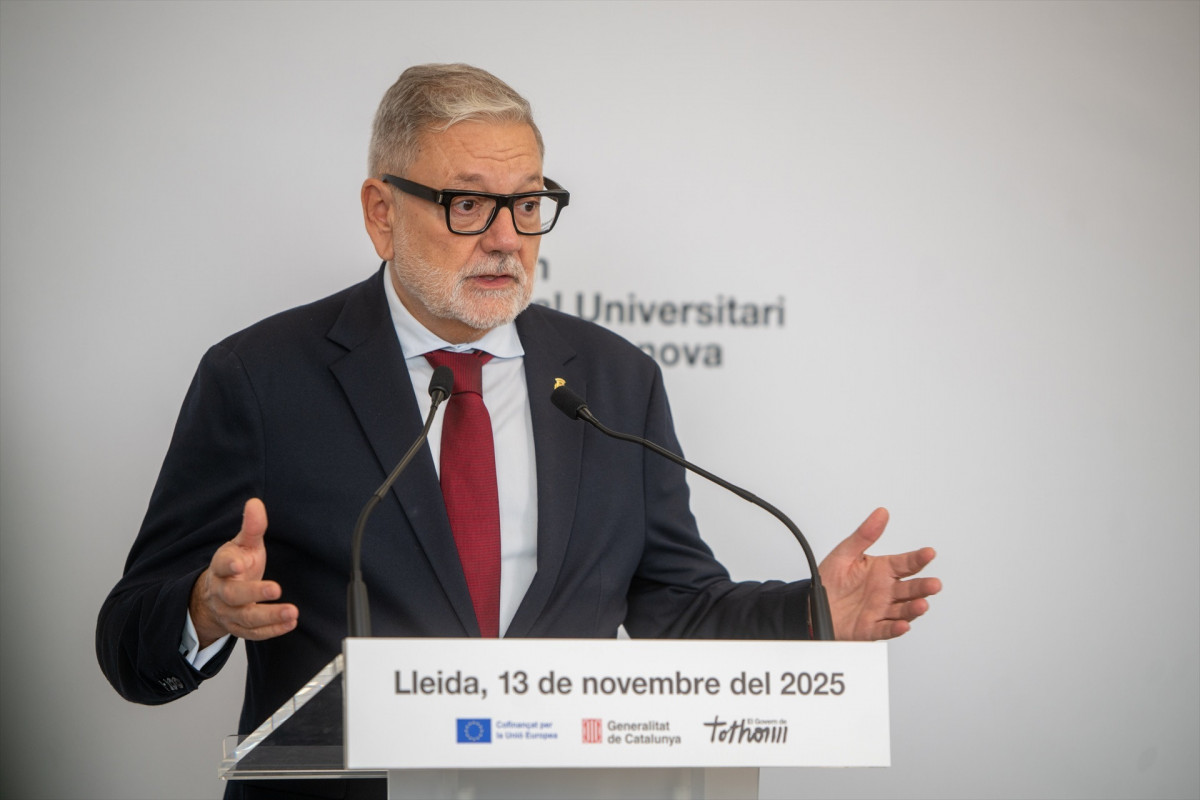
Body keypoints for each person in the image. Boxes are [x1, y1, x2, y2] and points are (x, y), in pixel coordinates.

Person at [97, 64, 941, 800]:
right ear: (382, 213)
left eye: (528, 204)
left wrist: (809, 614)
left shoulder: (614, 380)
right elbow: (130, 642)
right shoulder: (261, 378)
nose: (506, 239)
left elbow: (676, 610)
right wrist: (203, 610)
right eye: (468, 204)